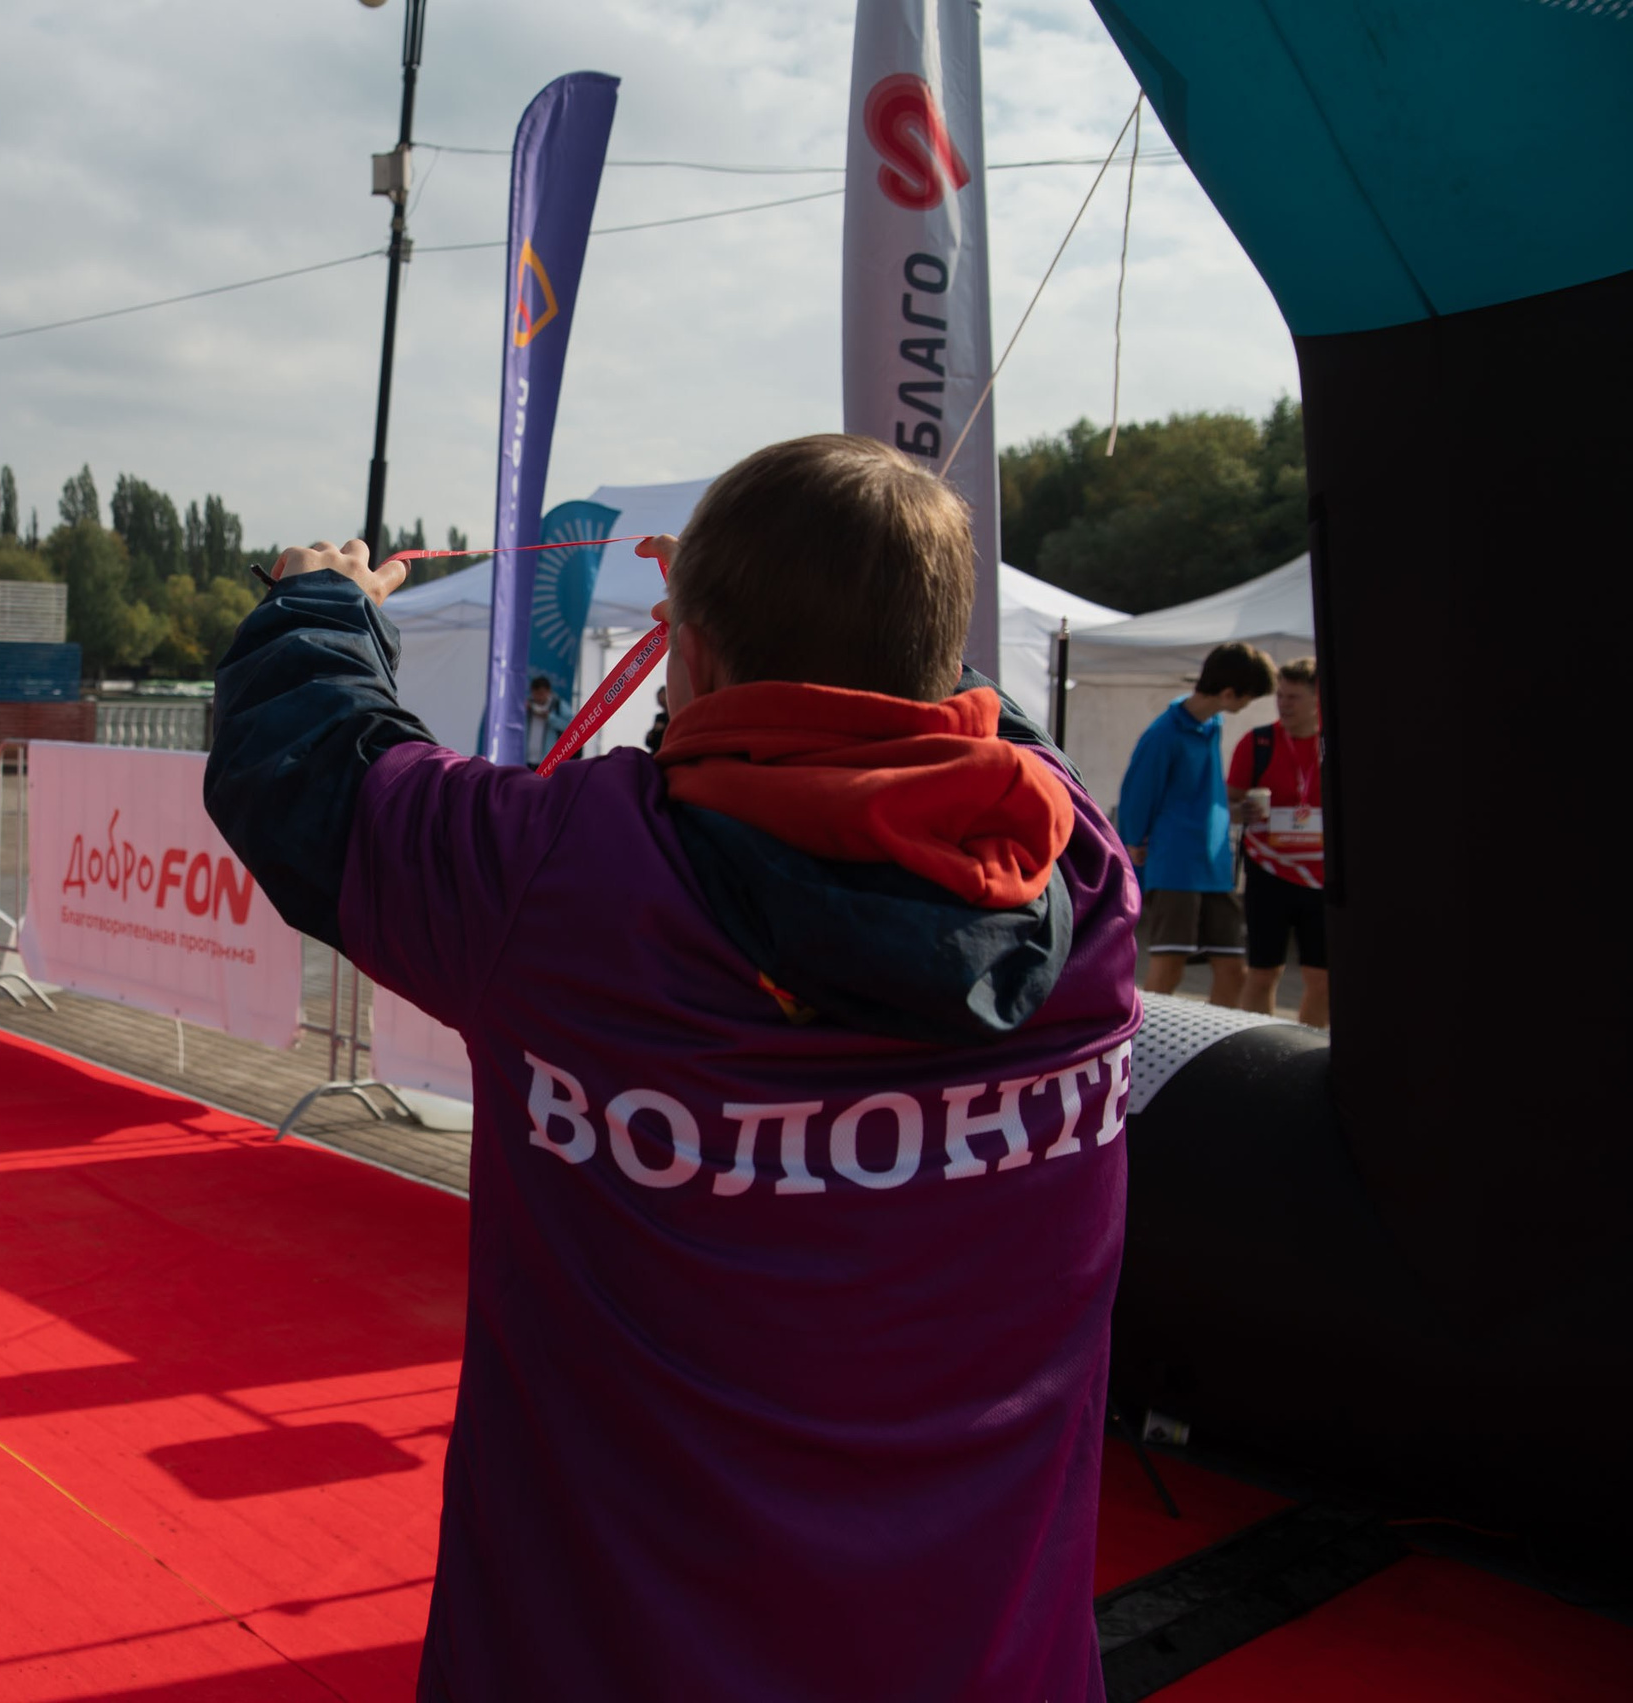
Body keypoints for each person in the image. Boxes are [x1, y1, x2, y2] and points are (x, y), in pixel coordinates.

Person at [207, 435, 1141, 1700]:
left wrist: (320, 600)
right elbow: (957, 712)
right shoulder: (1085, 876)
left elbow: (309, 768)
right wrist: (843, 597)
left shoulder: (569, 878)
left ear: (685, 650)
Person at [1115, 641, 1275, 1005]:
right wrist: (1134, 842)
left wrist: (1232, 813)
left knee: (1233, 970)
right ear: (1229, 693)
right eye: (1248, 698)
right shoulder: (1164, 733)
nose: (1248, 705)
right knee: (1169, 966)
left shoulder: (1212, 724)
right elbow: (1137, 792)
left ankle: (1223, 1041)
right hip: (1176, 866)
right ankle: (1145, 1039)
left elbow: (1195, 795)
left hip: (1215, 867)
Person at [1230, 656, 1327, 1026]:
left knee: (1321, 978)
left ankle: (1308, 1049)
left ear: (1318, 699)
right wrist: (1242, 811)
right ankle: (1258, 1048)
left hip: (1321, 878)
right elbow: (1228, 804)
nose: (1284, 704)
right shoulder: (1258, 742)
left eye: (1294, 697)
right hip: (1267, 872)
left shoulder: (1331, 743)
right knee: (1262, 972)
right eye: (1280, 696)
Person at [523, 674, 569, 766]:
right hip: (525, 760)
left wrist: (549, 717)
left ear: (548, 692)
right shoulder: (527, 705)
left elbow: (570, 725)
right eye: (535, 694)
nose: (539, 697)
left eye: (541, 694)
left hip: (547, 761)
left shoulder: (557, 705)